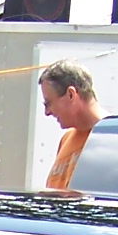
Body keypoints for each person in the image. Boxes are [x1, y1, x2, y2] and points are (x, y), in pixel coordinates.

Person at [39, 60, 104, 191]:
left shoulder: (111, 137)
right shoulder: (66, 139)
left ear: (71, 94)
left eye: (48, 103)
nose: (47, 112)